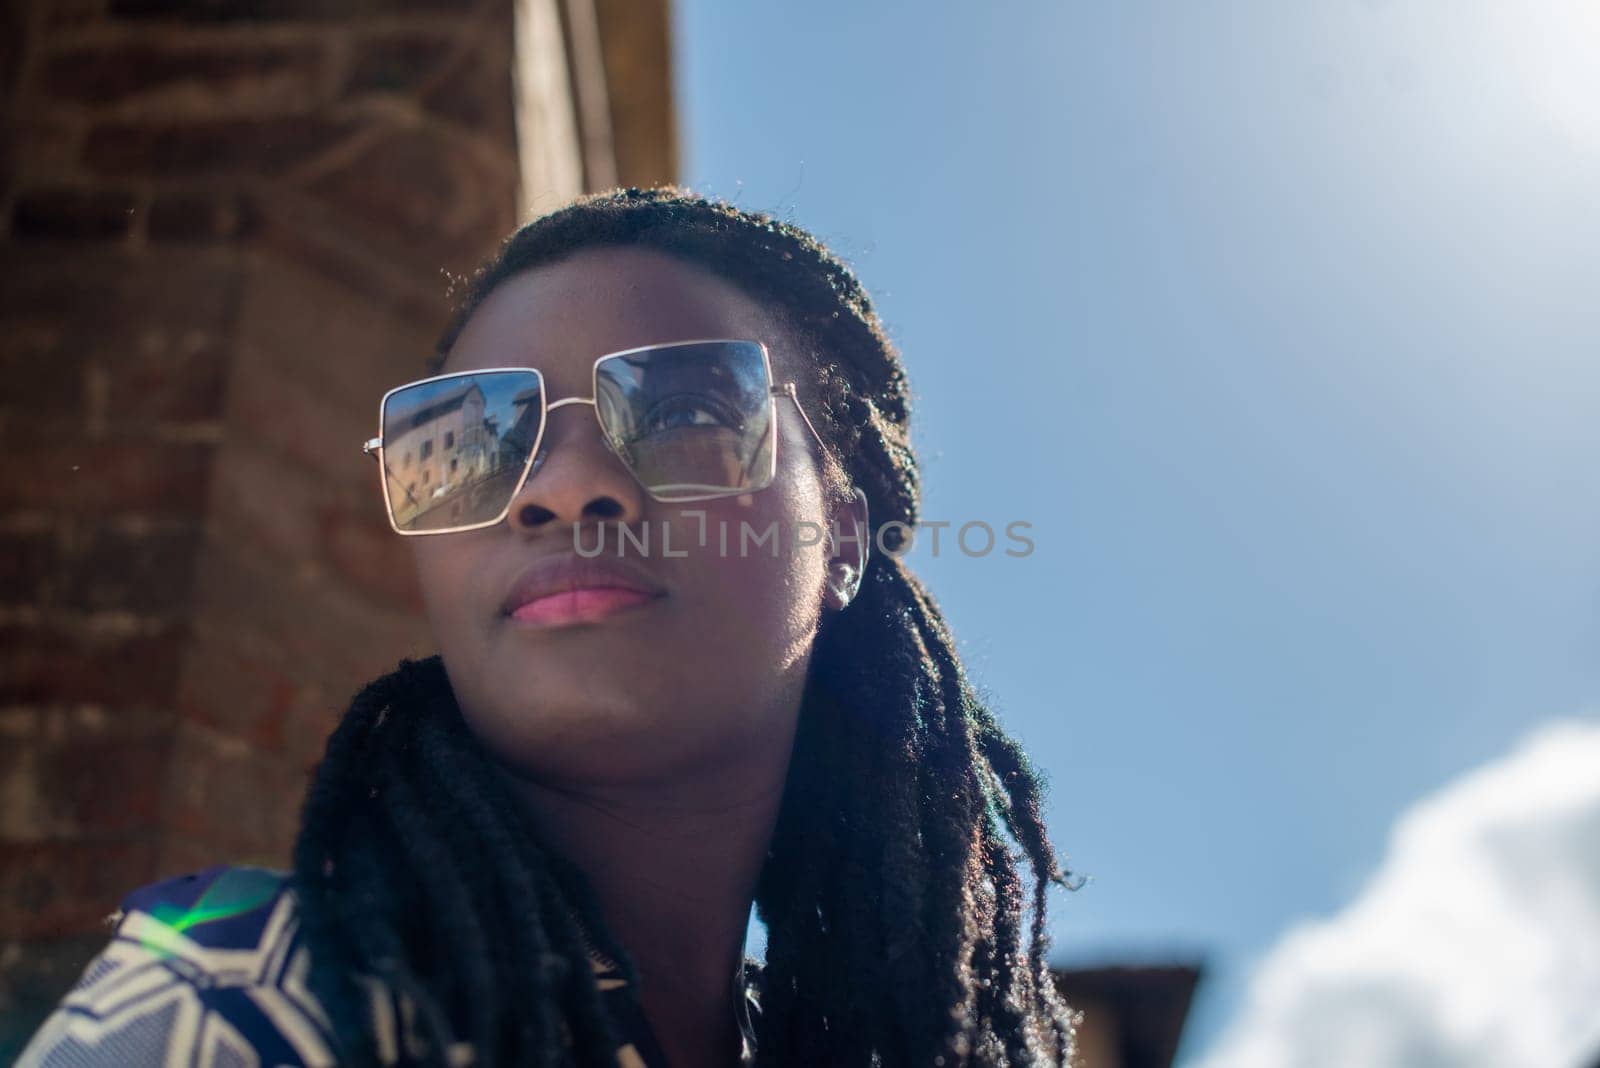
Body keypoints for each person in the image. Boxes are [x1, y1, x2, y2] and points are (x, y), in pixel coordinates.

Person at [17, 187, 1079, 1067]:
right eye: (474, 439)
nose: (563, 485)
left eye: (687, 414)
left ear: (842, 539)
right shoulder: (248, 993)